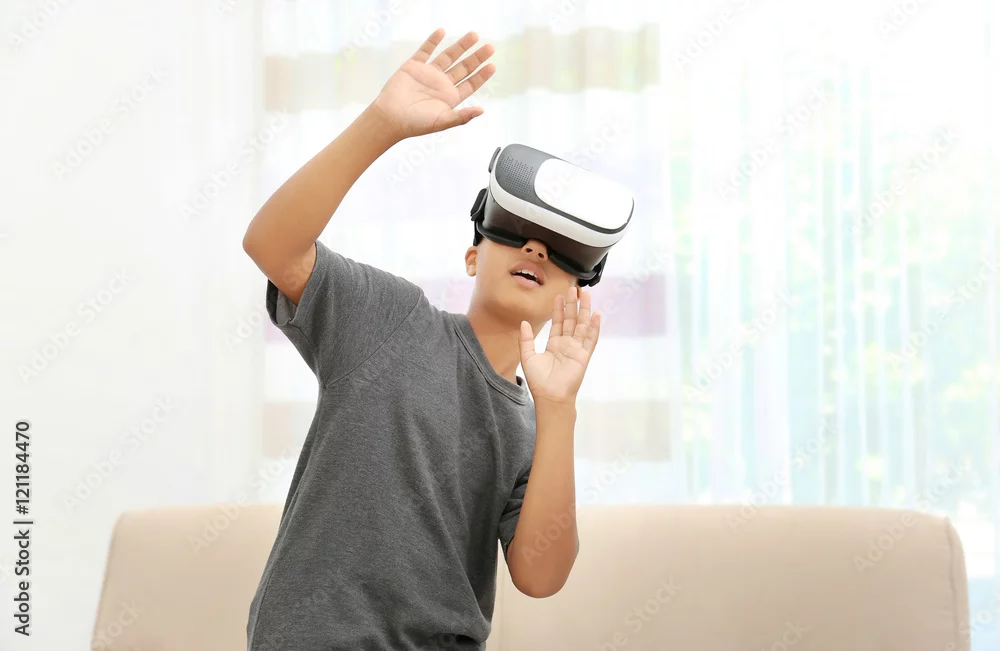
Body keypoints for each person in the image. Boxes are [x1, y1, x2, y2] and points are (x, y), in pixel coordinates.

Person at [242, 28, 603, 651]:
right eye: (513, 229)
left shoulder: (535, 430)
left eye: (562, 249)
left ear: (576, 291)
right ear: (472, 256)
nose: (536, 249)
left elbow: (540, 577)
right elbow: (271, 245)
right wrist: (381, 125)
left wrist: (559, 408)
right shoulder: (391, 318)